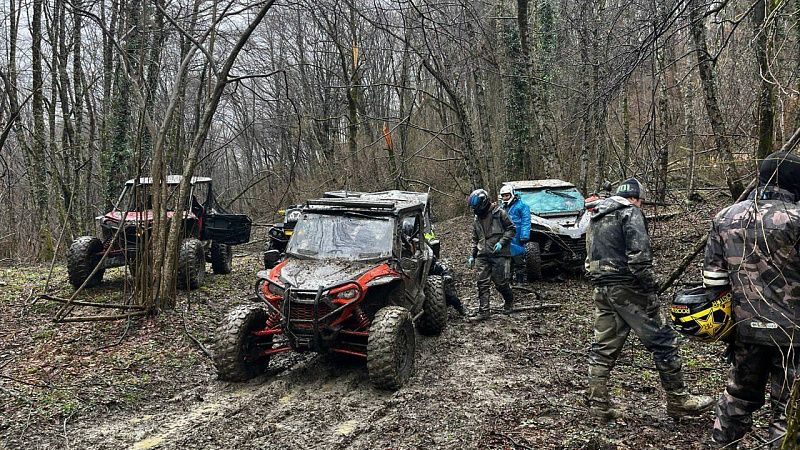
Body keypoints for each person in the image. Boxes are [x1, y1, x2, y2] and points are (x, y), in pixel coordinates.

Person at [585, 177, 712, 420]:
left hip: (602, 287)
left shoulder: (596, 215)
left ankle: (598, 404)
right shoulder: (630, 212)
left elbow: (589, 258)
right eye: (641, 201)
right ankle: (678, 399)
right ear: (635, 198)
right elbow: (639, 257)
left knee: (603, 346)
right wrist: (650, 288)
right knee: (663, 340)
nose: (641, 205)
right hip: (628, 287)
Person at [705, 151, 800, 449]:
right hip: (793, 335)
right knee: (788, 408)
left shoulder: (725, 217)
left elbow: (713, 281)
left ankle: (720, 445)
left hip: (745, 330)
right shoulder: (796, 219)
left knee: (737, 398)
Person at [467, 189, 516, 319]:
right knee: (482, 283)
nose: (475, 210)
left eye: (476, 207)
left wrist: (502, 242)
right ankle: (484, 311)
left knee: (500, 283)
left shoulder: (500, 213)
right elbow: (475, 238)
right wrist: (472, 255)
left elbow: (511, 229)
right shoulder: (476, 218)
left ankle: (509, 301)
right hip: (482, 254)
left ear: (483, 203)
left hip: (499, 254)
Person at [500, 185, 532, 283]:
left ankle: (520, 281)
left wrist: (524, 235)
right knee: (507, 260)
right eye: (503, 196)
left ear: (512, 194)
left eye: (507, 195)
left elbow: (526, 221)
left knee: (519, 259)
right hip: (506, 236)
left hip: (517, 237)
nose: (505, 198)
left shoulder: (522, 206)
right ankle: (508, 281)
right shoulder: (502, 207)